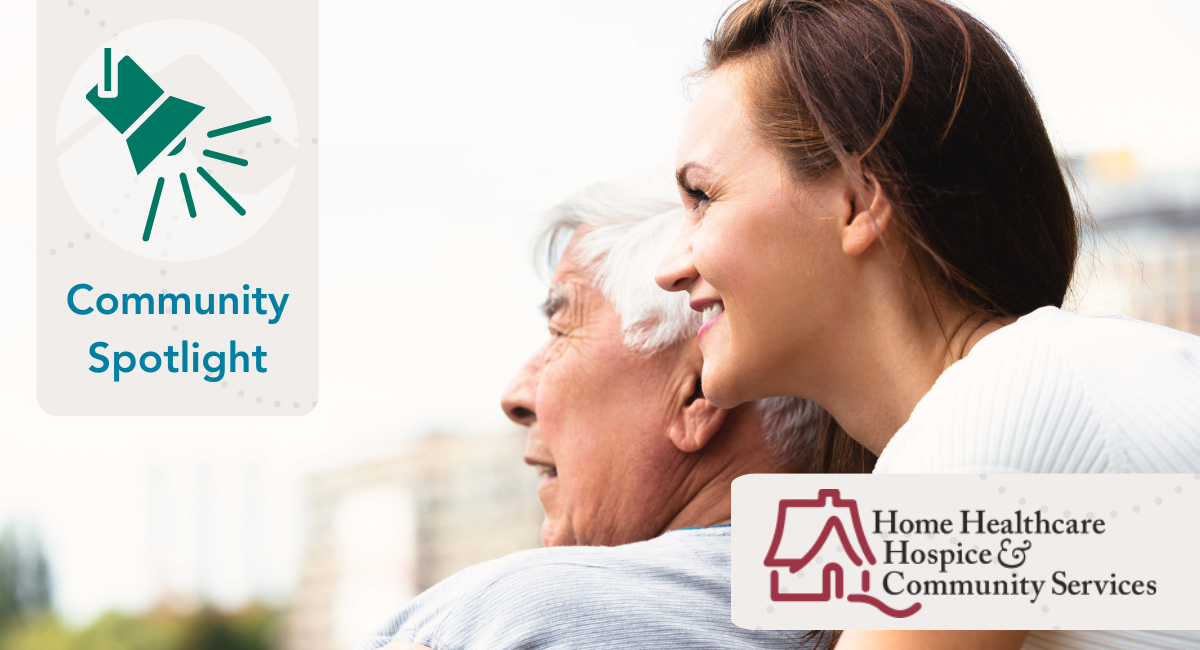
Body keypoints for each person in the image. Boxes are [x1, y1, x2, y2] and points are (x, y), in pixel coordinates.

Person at [653, 1, 1200, 649]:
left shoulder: (1009, 394)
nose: (669, 268)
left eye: (703, 198)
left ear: (860, 199)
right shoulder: (1072, 387)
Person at [355, 183, 872, 650]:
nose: (516, 395)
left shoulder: (512, 616)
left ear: (698, 393)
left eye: (561, 333)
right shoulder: (915, 571)